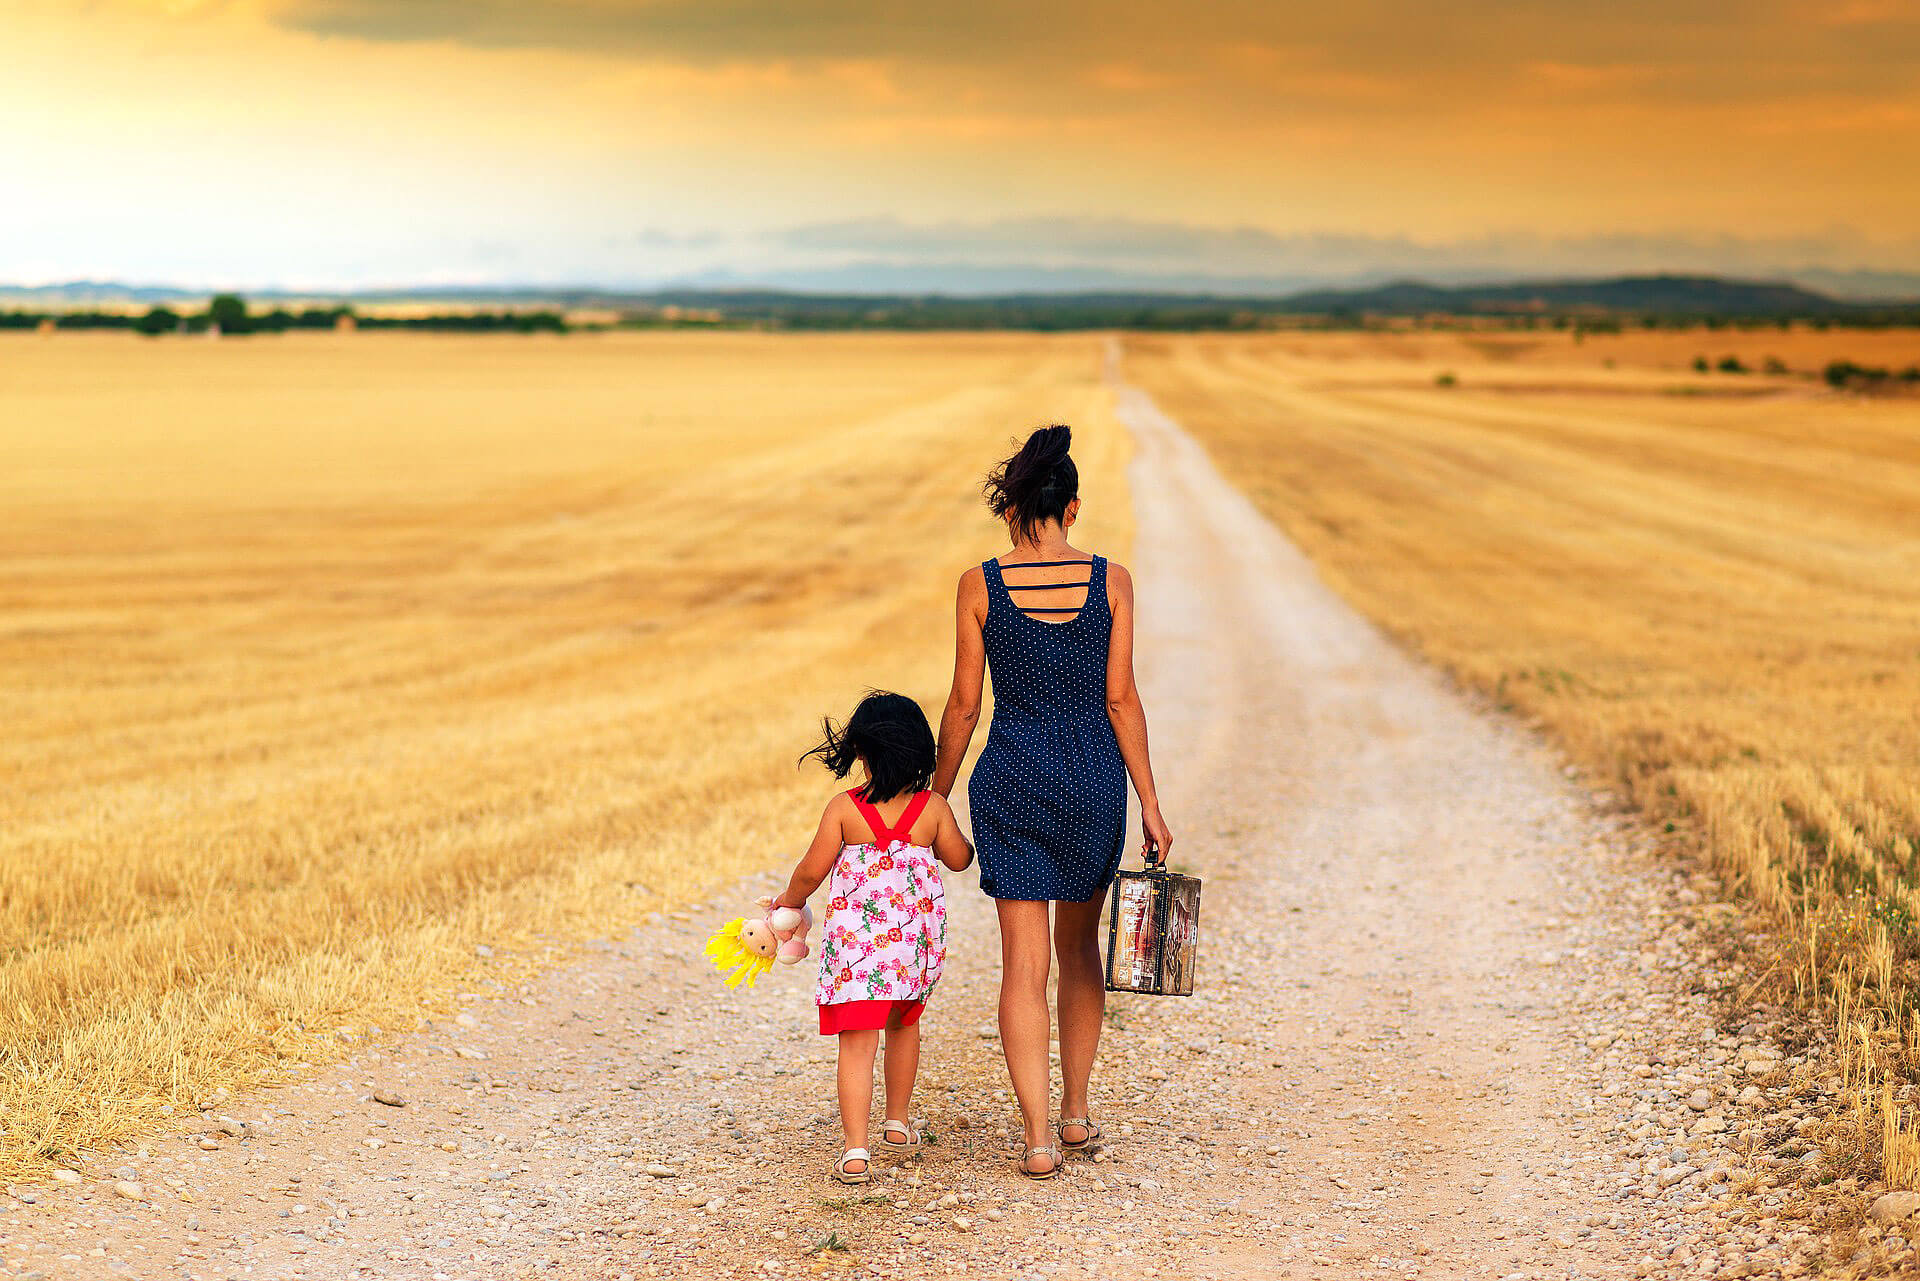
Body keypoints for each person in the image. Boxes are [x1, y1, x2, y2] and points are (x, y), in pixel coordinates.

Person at [932, 424, 1174, 1180]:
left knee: (1021, 968)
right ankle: (1074, 1111)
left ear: (1012, 511)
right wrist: (1151, 806)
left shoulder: (980, 585)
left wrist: (932, 802)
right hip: (1090, 782)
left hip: (1011, 777)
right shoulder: (1112, 581)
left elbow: (964, 708)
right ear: (1072, 508)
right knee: (1078, 953)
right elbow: (1121, 699)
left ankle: (1036, 1139)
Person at [774, 691, 975, 1184]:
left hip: (855, 958)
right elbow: (959, 859)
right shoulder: (933, 809)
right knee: (904, 1029)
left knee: (856, 1045)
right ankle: (897, 1124)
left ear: (860, 752)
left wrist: (789, 902)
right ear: (923, 752)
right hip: (910, 955)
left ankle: (856, 1149)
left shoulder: (844, 809)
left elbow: (811, 870)